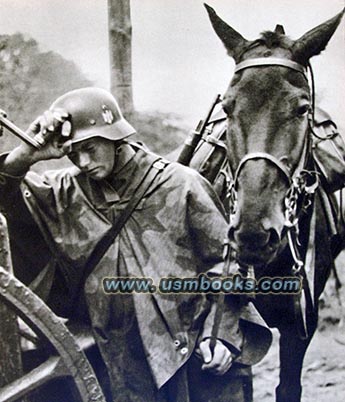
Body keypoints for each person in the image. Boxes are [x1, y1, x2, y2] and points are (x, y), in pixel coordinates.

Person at [0, 87, 271, 402]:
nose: (83, 161)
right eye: (74, 152)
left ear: (115, 136)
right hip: (114, 364)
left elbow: (227, 265)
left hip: (192, 355)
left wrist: (221, 334)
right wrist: (27, 155)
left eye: (90, 147)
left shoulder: (180, 185)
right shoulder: (63, 193)